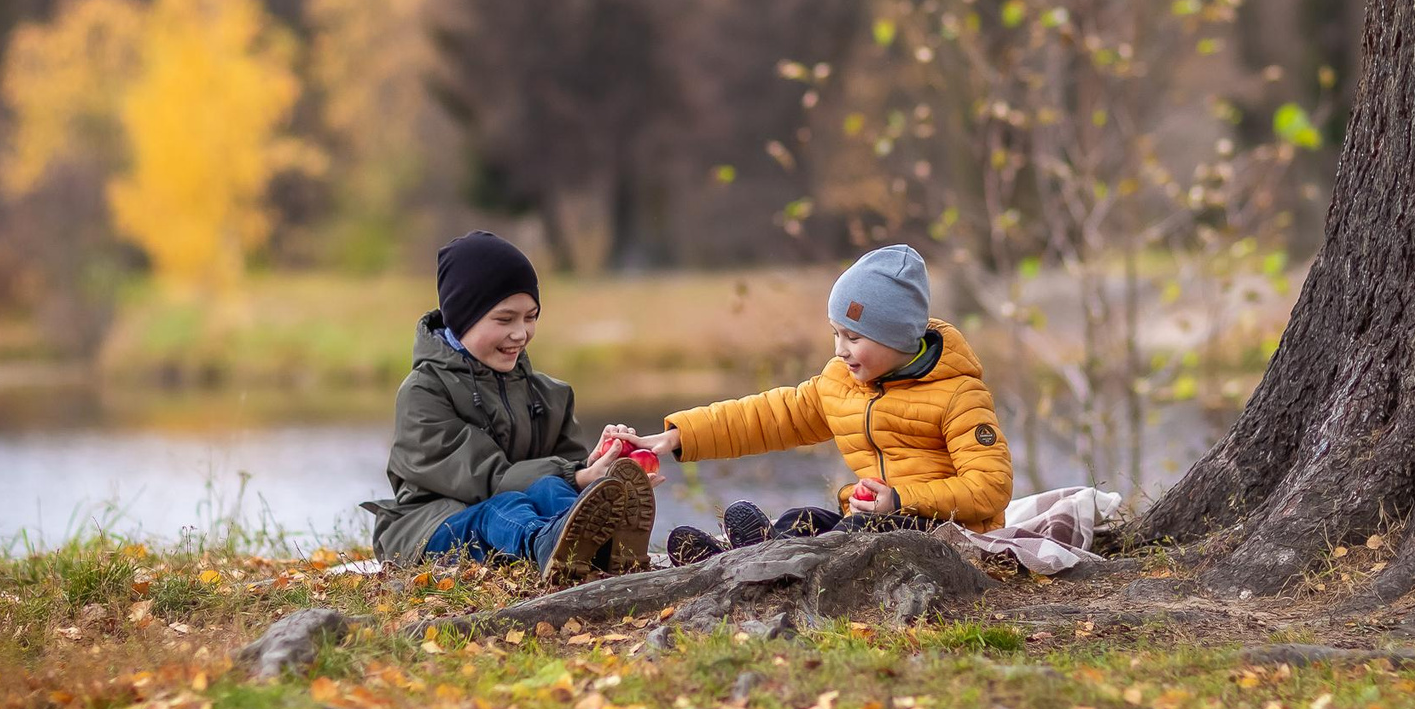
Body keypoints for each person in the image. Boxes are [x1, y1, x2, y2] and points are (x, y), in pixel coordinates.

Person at [624, 245, 1012, 565]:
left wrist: (899, 500)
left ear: (897, 337)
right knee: (802, 520)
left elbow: (990, 487)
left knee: (856, 534)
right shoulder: (841, 382)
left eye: (854, 337)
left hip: (948, 535)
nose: (841, 350)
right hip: (870, 522)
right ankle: (738, 559)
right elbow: (768, 417)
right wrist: (678, 436)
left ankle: (762, 561)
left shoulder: (958, 394)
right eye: (836, 334)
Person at [362, 231, 653, 578]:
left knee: (550, 487)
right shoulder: (423, 392)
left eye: (530, 317)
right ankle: (548, 546)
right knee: (504, 505)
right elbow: (486, 478)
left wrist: (599, 471)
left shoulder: (551, 394)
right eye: (505, 319)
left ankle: (605, 544)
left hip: (518, 513)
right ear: (462, 317)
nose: (521, 333)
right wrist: (575, 474)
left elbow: (562, 475)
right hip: (429, 528)